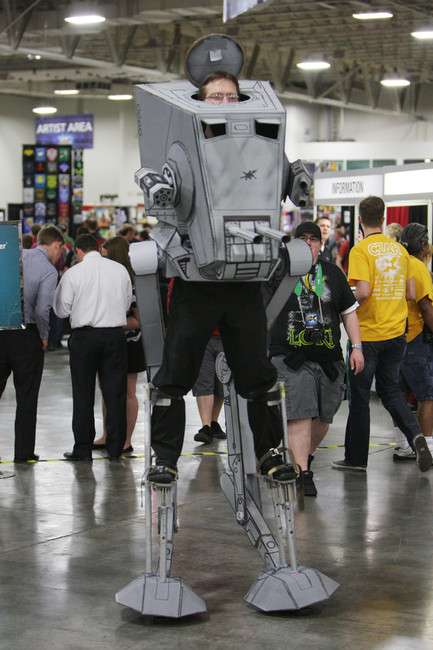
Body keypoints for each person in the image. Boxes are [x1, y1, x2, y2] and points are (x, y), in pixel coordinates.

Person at [147, 71, 295, 485]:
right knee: (176, 373)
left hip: (246, 279)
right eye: (216, 97)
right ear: (199, 100)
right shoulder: (183, 148)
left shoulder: (264, 150)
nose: (225, 103)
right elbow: (161, 203)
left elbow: (291, 185)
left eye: (232, 97)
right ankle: (165, 458)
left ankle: (269, 452)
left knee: (258, 374)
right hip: (196, 280)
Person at [332, 196, 432, 473]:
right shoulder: (400, 251)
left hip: (367, 337)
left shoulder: (360, 250)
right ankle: (417, 437)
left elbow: (363, 291)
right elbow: (411, 292)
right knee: (392, 393)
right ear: (384, 217)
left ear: (361, 220)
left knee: (360, 398)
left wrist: (346, 298)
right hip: (396, 334)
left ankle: (355, 459)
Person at [269, 222, 364, 496]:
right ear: (293, 243)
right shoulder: (279, 273)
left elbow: (349, 312)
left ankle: (305, 457)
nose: (309, 243)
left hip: (328, 358)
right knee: (300, 414)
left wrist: (357, 347)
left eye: (314, 239)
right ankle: (303, 472)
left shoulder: (332, 273)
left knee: (324, 416)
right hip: (289, 357)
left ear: (320, 244)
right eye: (304, 238)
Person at [53, 234, 132, 461]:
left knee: (82, 394)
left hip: (84, 338)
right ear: (99, 247)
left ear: (78, 251)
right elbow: (127, 303)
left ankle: (83, 449)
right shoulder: (119, 270)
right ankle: (115, 448)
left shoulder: (73, 273)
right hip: (115, 336)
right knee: (116, 393)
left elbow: (61, 310)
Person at [0, 225, 64, 462]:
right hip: (27, 337)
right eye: (60, 251)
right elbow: (42, 309)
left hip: (1, 328)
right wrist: (45, 336)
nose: (59, 256)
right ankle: (23, 452)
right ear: (55, 244)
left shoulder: (15, 255)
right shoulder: (48, 271)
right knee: (27, 396)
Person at [92, 236, 146, 453]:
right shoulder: (106, 279)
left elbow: (138, 320)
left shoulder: (132, 283)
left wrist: (111, 322)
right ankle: (108, 433)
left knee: (128, 392)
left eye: (104, 253)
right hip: (108, 341)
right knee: (106, 390)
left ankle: (126, 439)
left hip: (129, 344)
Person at [394, 223, 433, 460]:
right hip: (416, 338)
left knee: (398, 395)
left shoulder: (396, 263)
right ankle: (427, 448)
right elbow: (426, 308)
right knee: (428, 395)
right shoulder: (417, 267)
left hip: (395, 337)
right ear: (423, 245)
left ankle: (404, 445)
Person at [193, 334, 226, 444]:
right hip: (202, 334)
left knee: (222, 381)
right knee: (204, 380)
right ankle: (206, 425)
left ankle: (213, 422)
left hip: (226, 334)